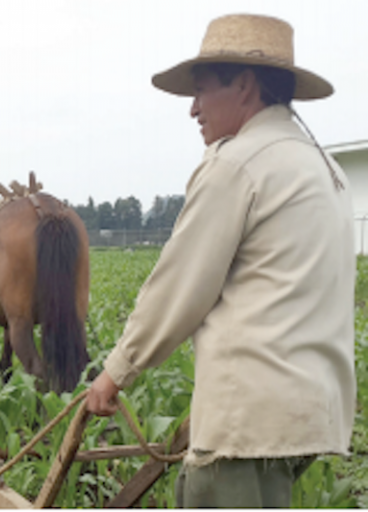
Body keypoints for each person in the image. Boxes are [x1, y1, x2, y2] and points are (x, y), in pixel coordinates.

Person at [86, 13, 356, 508]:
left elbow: (179, 285)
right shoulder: (323, 168)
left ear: (246, 85)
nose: (193, 109)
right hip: (309, 418)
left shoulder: (238, 164)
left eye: (203, 91)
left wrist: (114, 372)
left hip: (245, 424)